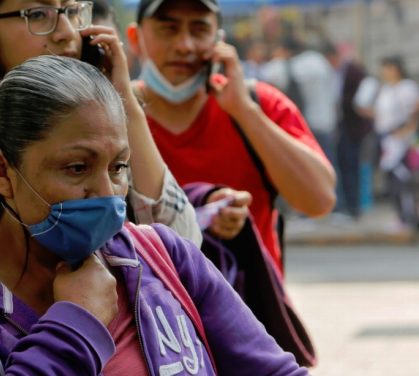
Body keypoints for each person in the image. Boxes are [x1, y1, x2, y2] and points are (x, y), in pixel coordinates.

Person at [0, 55, 307, 375]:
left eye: (118, 167)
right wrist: (77, 323)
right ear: (2, 172)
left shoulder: (163, 258)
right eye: (77, 168)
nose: (107, 194)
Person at [0, 0, 212, 248]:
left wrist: (125, 101)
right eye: (38, 14)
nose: (67, 33)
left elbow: (183, 240)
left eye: (72, 11)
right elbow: (6, 264)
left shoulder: (97, 129)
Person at [126, 0, 336, 275]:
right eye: (168, 29)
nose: (184, 46)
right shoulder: (111, 113)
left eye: (199, 30)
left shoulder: (260, 104)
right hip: (149, 309)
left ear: (219, 41)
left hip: (250, 310)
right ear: (135, 38)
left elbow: (319, 200)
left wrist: (244, 111)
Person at [361, 56, 419, 229]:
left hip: (403, 141)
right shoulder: (385, 89)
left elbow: (415, 112)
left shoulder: (408, 88)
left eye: (387, 67)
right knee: (391, 180)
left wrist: (406, 130)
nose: (384, 71)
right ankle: (401, 216)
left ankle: (409, 218)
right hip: (386, 139)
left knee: (403, 181)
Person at [323, 43, 373, 219]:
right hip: (343, 126)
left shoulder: (353, 71)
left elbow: (360, 98)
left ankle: (354, 207)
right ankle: (349, 206)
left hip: (355, 128)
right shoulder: (338, 73)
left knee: (352, 166)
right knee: (345, 165)